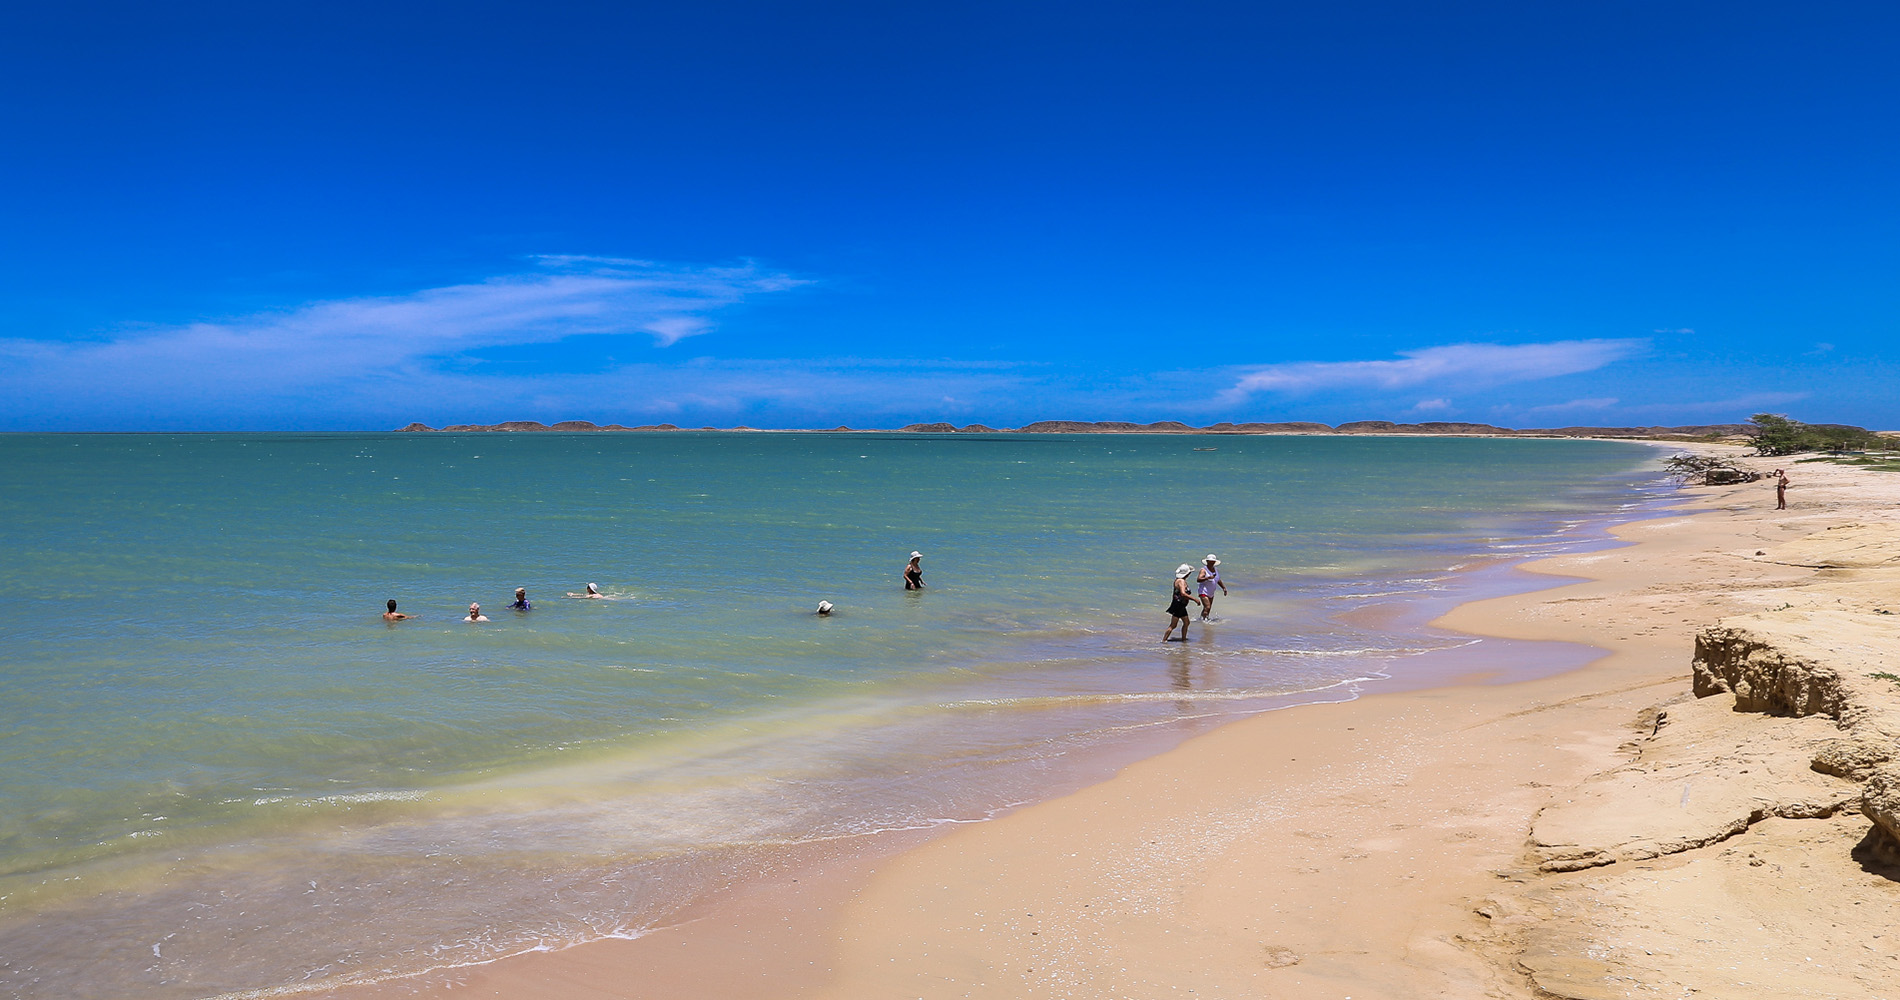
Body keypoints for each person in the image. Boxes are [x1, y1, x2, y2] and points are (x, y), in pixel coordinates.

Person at [1164, 564, 1195, 641]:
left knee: (1186, 622)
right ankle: (1164, 640)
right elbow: (1183, 593)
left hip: (1180, 605)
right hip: (1179, 606)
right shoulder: (1181, 581)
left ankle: (1183, 639)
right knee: (1174, 625)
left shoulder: (1178, 580)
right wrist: (1194, 599)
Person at [1196, 554, 1227, 622]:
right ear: (1207, 561)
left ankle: (1203, 620)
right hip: (1203, 591)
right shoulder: (1204, 570)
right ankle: (1204, 621)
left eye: (1213, 562)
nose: (1211, 563)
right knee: (1207, 607)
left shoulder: (1215, 569)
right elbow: (1198, 579)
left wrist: (1223, 588)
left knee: (1208, 609)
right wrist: (1207, 578)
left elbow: (1218, 579)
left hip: (1211, 592)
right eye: (1210, 561)